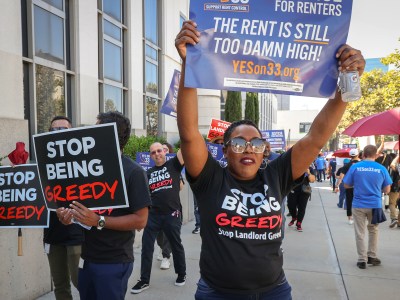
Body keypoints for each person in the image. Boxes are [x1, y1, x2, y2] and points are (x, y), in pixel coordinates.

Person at [175, 20, 365, 298]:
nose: (248, 149)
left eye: (256, 143)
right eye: (239, 143)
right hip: (217, 292)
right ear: (225, 150)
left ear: (266, 150)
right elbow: (190, 133)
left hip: (274, 291)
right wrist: (190, 64)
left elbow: (314, 138)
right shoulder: (210, 179)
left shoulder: (276, 175)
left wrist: (349, 80)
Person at [57, 111, 151, 300]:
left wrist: (99, 221)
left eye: (95, 129)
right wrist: (67, 217)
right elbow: (80, 211)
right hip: (87, 258)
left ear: (108, 134)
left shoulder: (134, 172)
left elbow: (141, 220)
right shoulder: (88, 168)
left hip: (114, 261)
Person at [131, 143, 187, 294]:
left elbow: (187, 145)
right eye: (153, 152)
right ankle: (144, 280)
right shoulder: (147, 173)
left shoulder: (173, 165)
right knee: (147, 248)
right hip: (153, 216)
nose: (157, 154)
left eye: (159, 151)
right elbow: (143, 197)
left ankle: (181, 274)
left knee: (176, 245)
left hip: (172, 214)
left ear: (164, 151)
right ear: (150, 156)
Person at [43, 116, 84, 300]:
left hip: (76, 233)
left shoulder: (84, 160)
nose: (58, 133)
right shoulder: (43, 160)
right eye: (54, 130)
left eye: (63, 129)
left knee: (81, 283)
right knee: (60, 286)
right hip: (52, 234)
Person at [343, 145, 392, 269]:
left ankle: (362, 260)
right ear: (376, 155)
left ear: (363, 154)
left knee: (360, 232)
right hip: (374, 204)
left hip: (358, 204)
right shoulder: (381, 168)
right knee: (373, 230)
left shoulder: (355, 167)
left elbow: (347, 185)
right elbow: (387, 190)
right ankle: (372, 256)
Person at [287, 166, 316, 232]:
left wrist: (308, 173)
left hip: (305, 190)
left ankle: (299, 223)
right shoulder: (294, 166)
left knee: (302, 207)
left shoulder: (310, 168)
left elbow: (312, 180)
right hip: (293, 189)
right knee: (290, 205)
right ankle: (294, 217)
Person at [337, 149, 361, 224]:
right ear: (358, 155)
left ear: (350, 156)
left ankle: (350, 218)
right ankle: (359, 217)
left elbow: (341, 176)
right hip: (360, 186)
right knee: (359, 201)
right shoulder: (361, 164)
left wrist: (337, 185)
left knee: (349, 201)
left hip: (349, 186)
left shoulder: (347, 165)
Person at [388, 154, 400, 227]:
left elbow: (392, 165)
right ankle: (399, 222)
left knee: (392, 203)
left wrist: (398, 156)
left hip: (396, 187)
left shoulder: (398, 166)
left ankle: (394, 218)